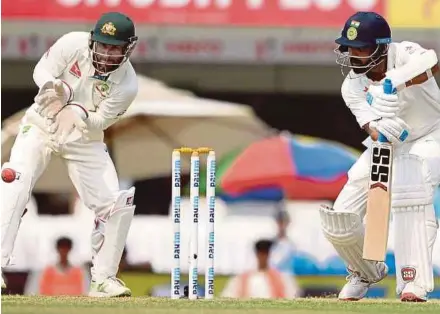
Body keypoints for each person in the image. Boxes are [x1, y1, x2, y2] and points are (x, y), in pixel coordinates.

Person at [1, 11, 139, 297]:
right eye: (102, 44)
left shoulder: (127, 84)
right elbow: (40, 69)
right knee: (14, 182)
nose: (106, 52)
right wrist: (56, 87)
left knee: (115, 204)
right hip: (41, 124)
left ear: (128, 48)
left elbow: (102, 121)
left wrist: (78, 111)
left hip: (84, 138)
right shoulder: (72, 44)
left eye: (114, 48)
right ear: (92, 40)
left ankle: (103, 280)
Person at [319, 11, 440, 302]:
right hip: (389, 143)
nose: (354, 55)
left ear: (382, 46)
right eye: (350, 48)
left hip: (430, 135)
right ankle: (366, 271)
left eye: (361, 48)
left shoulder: (406, 52)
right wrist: (381, 128)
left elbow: (432, 63)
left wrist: (395, 81)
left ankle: (415, 283)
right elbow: (371, 129)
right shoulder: (352, 86)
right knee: (341, 218)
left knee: (413, 190)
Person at [221, 239, 301, 299]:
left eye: (266, 252)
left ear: (269, 254)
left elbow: (294, 296)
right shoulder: (241, 279)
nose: (263, 256)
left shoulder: (282, 278)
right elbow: (227, 298)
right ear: (257, 254)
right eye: (261, 252)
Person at [25, 237, 89, 296]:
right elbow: (32, 292)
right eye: (62, 247)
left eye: (66, 247)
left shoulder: (79, 272)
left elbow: (86, 291)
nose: (64, 250)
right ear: (57, 249)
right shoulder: (46, 271)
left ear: (70, 249)